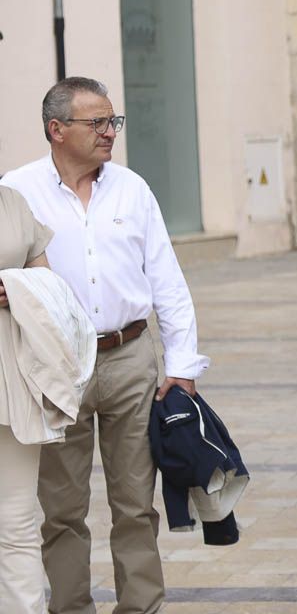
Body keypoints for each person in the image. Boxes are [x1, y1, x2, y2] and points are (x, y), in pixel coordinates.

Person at [0, 77, 209, 614]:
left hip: (130, 357)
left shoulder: (132, 189)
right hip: (55, 367)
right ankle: (70, 608)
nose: (109, 133)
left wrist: (182, 365)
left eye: (112, 122)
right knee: (62, 508)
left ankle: (141, 607)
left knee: (136, 503)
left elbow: (167, 280)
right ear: (56, 129)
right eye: (97, 123)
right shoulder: (17, 189)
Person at [0, 186, 87, 614]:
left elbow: (49, 286)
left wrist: (18, 288)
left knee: (16, 522)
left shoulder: (12, 203)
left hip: (13, 381)